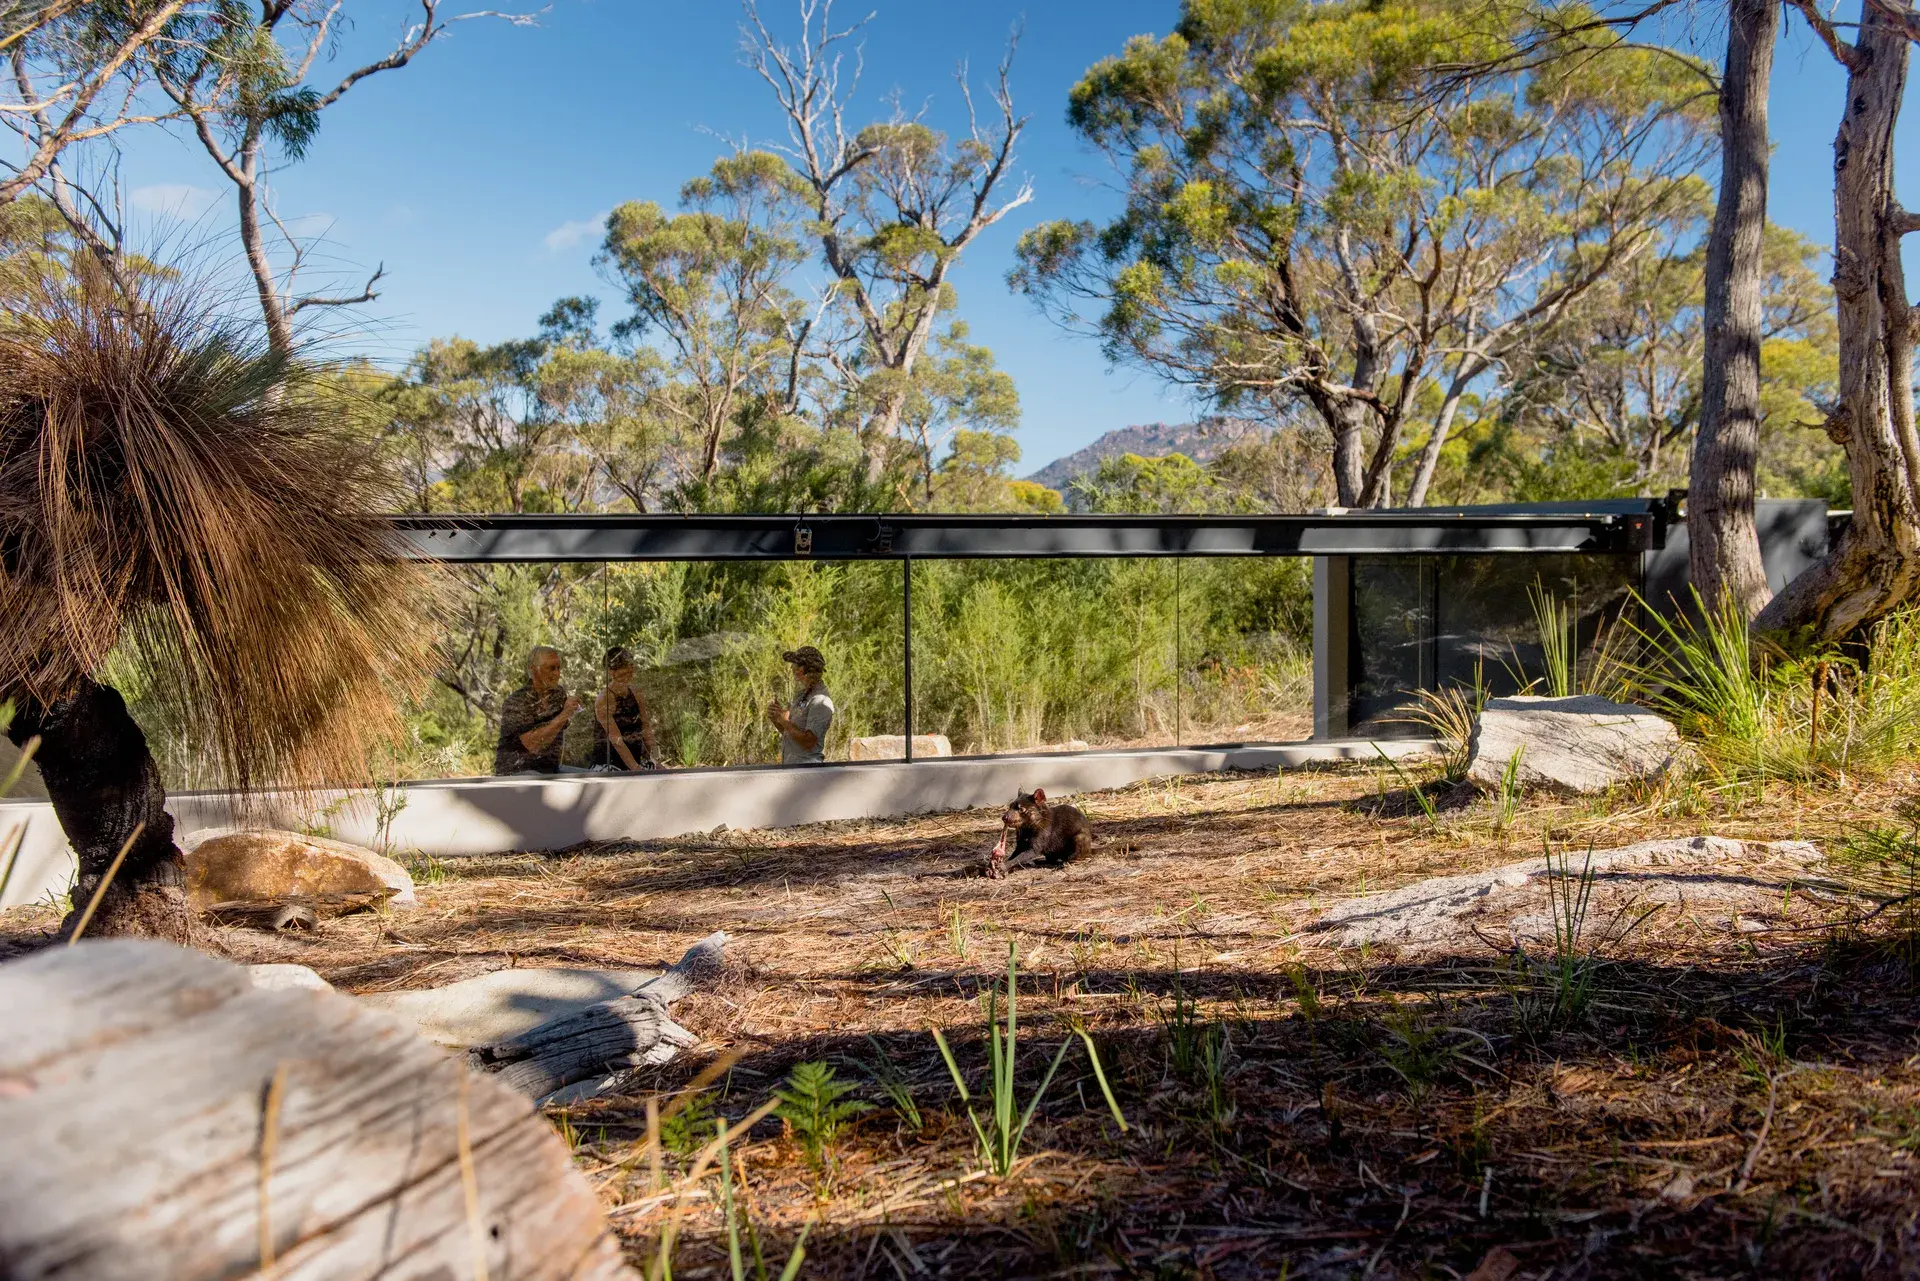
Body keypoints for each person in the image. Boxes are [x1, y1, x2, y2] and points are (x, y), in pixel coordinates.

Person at [494, 645, 581, 775]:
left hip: (550, 770)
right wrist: (565, 714)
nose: (557, 674)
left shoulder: (558, 694)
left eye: (558, 668)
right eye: (551, 668)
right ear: (534, 670)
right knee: (537, 779)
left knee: (591, 777)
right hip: (516, 772)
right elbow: (533, 745)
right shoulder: (517, 701)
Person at [592, 645, 659, 771]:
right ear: (611, 672)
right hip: (609, 766)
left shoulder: (636, 692)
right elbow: (617, 741)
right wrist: (635, 769)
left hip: (634, 764)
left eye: (631, 666)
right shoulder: (604, 699)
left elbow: (647, 730)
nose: (630, 670)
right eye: (625, 667)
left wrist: (657, 760)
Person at [766, 645, 833, 765]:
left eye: (795, 665)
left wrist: (785, 721)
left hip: (807, 772)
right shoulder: (802, 695)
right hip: (794, 768)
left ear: (802, 670)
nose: (792, 668)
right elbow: (790, 733)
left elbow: (809, 742)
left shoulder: (821, 701)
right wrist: (777, 718)